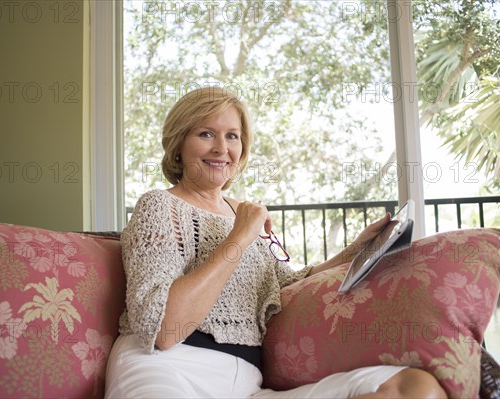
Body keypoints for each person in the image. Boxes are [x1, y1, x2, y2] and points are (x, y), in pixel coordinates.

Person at [105, 87, 447, 398]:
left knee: (412, 387)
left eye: (233, 136)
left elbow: (285, 284)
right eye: (206, 133)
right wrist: (241, 235)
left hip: (245, 384)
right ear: (179, 144)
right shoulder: (159, 206)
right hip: (166, 369)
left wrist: (357, 249)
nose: (222, 148)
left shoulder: (242, 212)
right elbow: (162, 329)